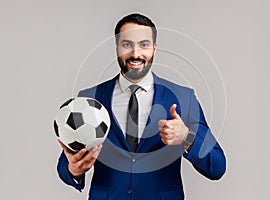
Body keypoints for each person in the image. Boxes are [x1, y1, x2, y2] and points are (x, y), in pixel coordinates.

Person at [57, 13, 226, 200]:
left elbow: (217, 166)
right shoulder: (90, 98)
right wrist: (73, 169)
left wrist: (187, 138)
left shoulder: (183, 98)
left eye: (144, 45)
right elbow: (66, 164)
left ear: (154, 48)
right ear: (116, 47)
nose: (136, 54)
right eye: (127, 44)